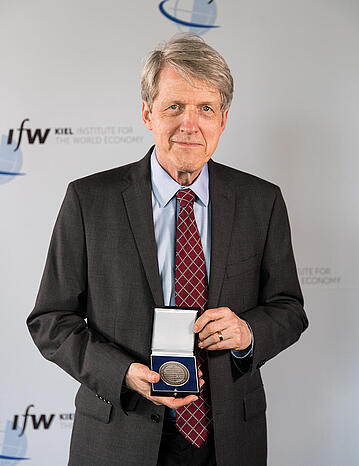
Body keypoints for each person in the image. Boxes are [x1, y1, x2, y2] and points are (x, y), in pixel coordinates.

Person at [27, 34, 308, 466]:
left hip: (229, 437)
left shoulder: (261, 201)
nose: (189, 124)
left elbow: (288, 309)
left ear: (224, 119)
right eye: (174, 106)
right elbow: (51, 320)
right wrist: (121, 374)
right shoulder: (90, 200)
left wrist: (248, 334)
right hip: (120, 433)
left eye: (205, 109)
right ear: (147, 113)